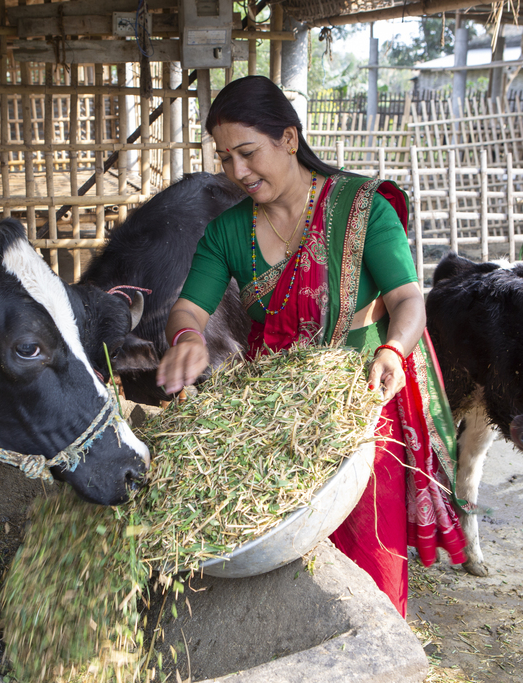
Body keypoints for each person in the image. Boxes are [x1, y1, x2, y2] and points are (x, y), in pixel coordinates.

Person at [155, 75, 466, 617]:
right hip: (275, 421)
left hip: (360, 409)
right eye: (226, 159)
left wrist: (392, 350)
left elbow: (409, 300)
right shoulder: (228, 232)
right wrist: (186, 338)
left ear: (289, 140)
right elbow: (187, 310)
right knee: (276, 558)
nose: (238, 173)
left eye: (248, 154)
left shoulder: (363, 209)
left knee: (371, 558)